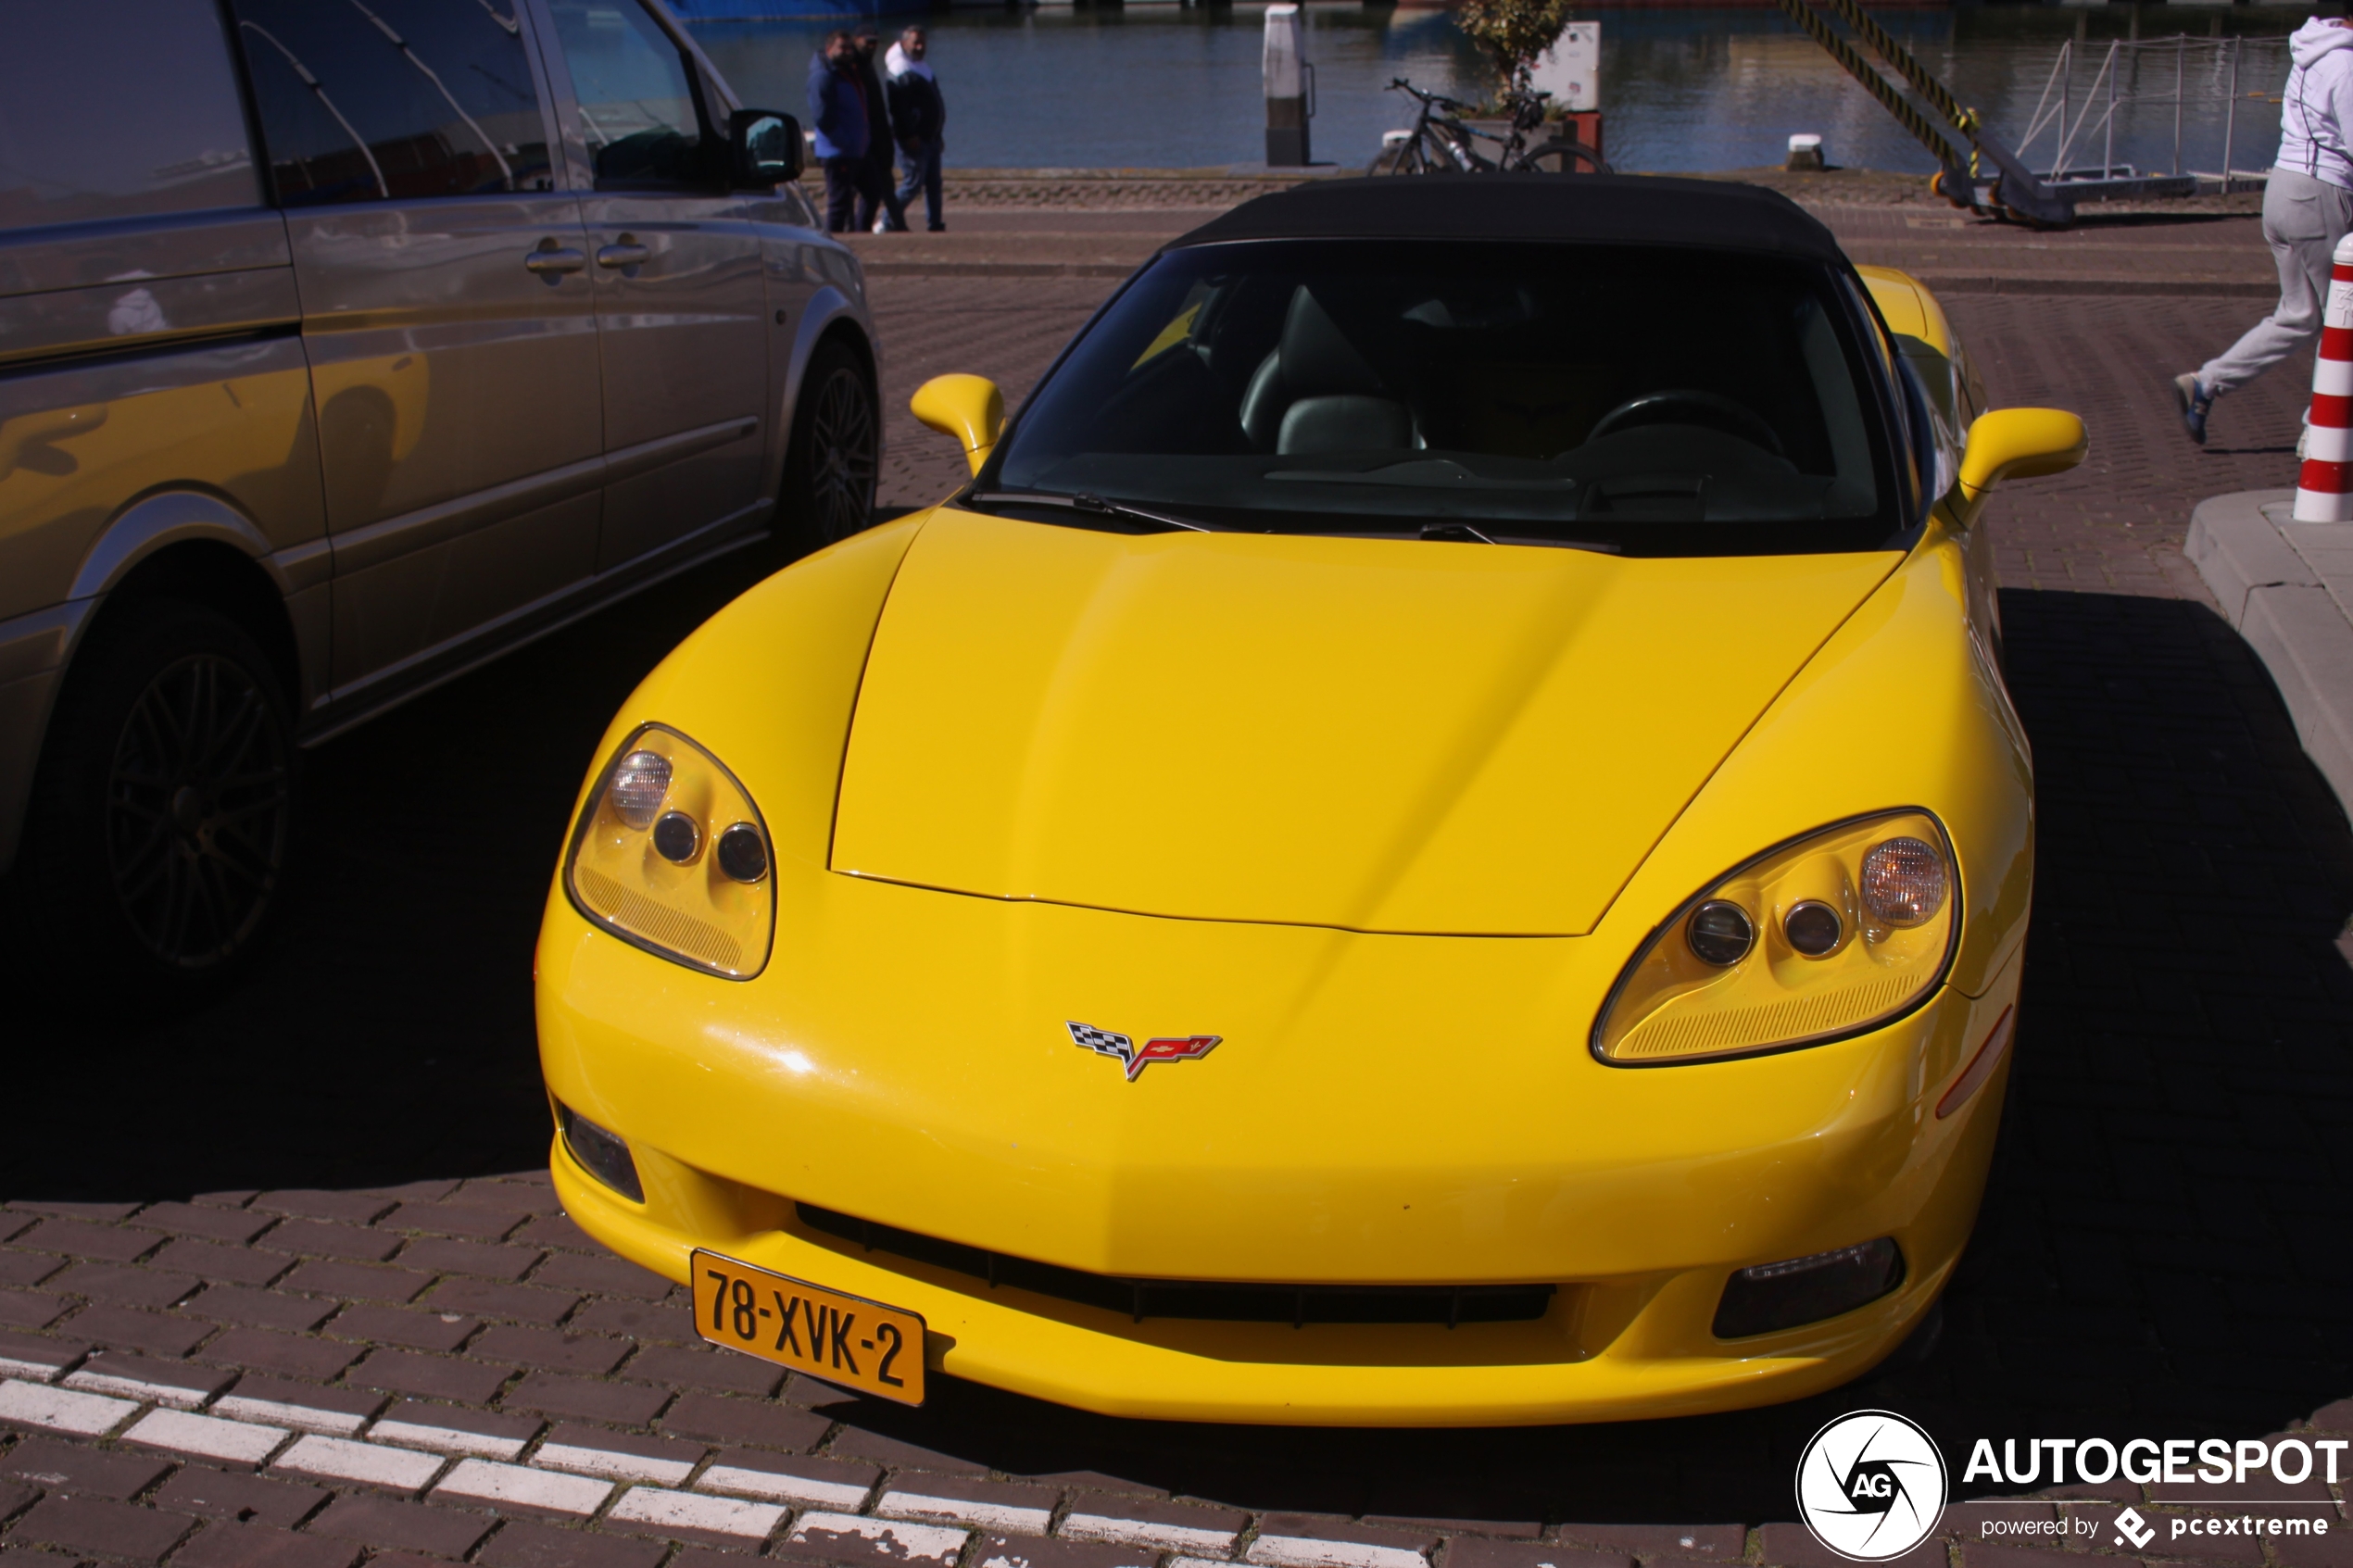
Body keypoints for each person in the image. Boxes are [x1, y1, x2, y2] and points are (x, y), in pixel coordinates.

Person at [2175, 7, 2353, 445]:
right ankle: (2320, 434)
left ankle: (2206, 382)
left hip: (2283, 191)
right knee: (2345, 322)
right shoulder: (2347, 64)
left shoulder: (2310, 52)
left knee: (2300, 315)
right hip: (2319, 194)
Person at [806, 31, 870, 233]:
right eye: (842, 47)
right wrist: (845, 141)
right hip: (837, 152)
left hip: (855, 150)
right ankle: (829, 241)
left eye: (849, 48)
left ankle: (859, 234)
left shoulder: (847, 71)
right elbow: (823, 117)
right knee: (839, 203)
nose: (847, 52)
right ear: (829, 49)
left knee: (872, 190)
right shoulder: (822, 76)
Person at [887, 26, 947, 233]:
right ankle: (887, 219)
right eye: (915, 43)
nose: (920, 47)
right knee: (912, 184)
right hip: (914, 140)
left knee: (934, 185)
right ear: (903, 44)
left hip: (931, 138)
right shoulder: (900, 69)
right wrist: (909, 135)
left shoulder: (921, 66)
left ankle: (936, 224)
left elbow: (932, 105)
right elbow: (899, 109)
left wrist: (938, 134)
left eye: (923, 43)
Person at [852, 25, 906, 233]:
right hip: (865, 139)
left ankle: (898, 225)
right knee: (867, 190)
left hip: (879, 135)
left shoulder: (867, 64)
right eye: (868, 42)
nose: (872, 46)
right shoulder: (854, 66)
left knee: (885, 186)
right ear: (857, 40)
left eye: (875, 42)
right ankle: (858, 230)